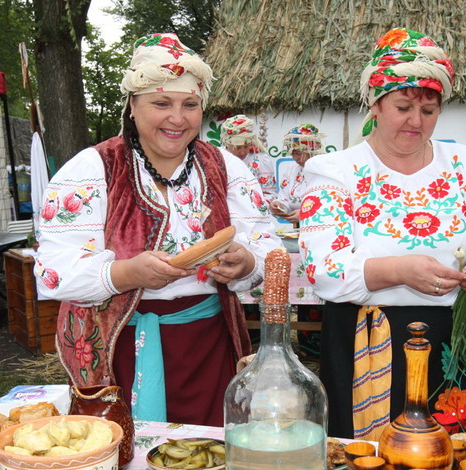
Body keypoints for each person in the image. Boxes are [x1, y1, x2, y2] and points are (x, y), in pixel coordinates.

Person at [34, 33, 282, 427]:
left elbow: (270, 252)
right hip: (118, 347)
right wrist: (128, 273)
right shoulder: (92, 169)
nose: (177, 118)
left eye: (190, 105)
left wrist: (247, 262)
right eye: (161, 103)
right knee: (121, 444)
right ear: (132, 106)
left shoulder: (226, 168)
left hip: (206, 341)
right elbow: (51, 272)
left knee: (209, 446)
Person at [298, 28, 466, 440]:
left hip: (451, 339)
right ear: (375, 103)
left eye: (428, 110)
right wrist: (400, 269)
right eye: (402, 107)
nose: (415, 121)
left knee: (451, 452)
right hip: (365, 340)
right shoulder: (335, 172)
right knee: (367, 455)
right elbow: (324, 270)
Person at [269, 124, 325, 224]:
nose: (295, 158)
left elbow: (329, 203)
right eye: (293, 154)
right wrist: (279, 206)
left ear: (312, 150)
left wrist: (305, 213)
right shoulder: (292, 169)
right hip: (300, 229)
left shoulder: (325, 169)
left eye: (299, 153)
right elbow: (285, 198)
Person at [220, 114, 277, 200]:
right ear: (227, 144)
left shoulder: (260, 159)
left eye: (246, 146)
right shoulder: (219, 158)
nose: (242, 152)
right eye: (238, 147)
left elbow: (270, 194)